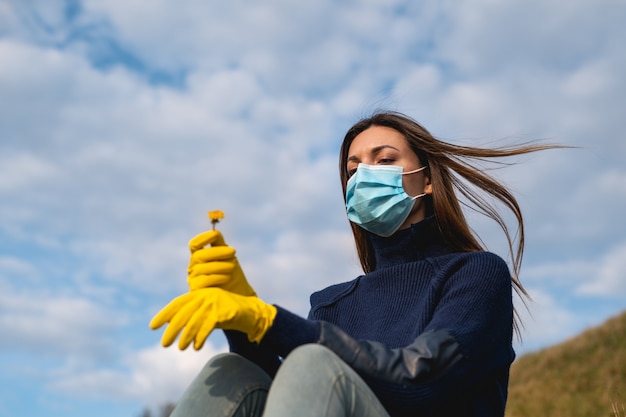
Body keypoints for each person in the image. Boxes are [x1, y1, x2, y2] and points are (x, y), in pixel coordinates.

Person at [150, 111, 558, 417]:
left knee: (313, 359)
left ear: (427, 179)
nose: (366, 175)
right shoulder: (331, 304)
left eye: (384, 161)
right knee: (231, 369)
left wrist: (268, 321)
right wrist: (244, 326)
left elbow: (422, 381)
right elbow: (286, 399)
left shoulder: (475, 274)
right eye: (353, 169)